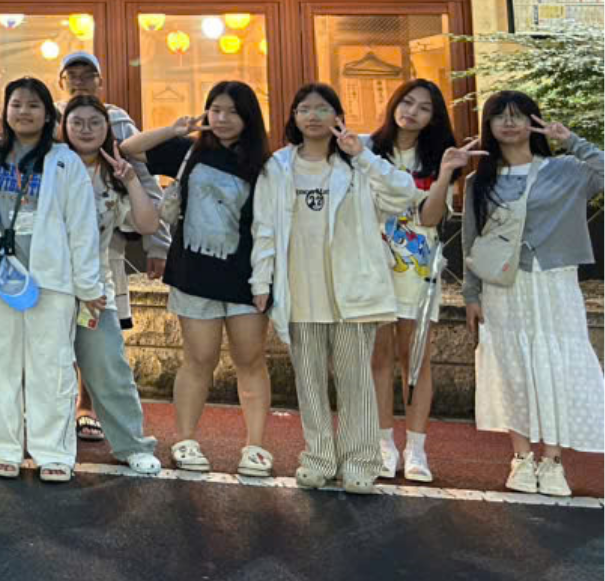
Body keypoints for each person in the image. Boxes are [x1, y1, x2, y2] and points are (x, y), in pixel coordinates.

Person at [249, 83, 415, 494]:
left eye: (323, 109)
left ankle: (360, 461)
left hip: (350, 293)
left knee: (355, 381)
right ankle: (319, 457)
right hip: (299, 291)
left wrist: (363, 155)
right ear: (294, 117)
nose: (313, 116)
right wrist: (261, 280)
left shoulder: (357, 164)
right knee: (308, 382)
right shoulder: (277, 166)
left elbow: (404, 194)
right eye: (304, 109)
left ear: (338, 117)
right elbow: (264, 228)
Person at [0, 78, 104, 483]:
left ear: (48, 113)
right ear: (6, 111)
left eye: (33, 105)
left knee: (52, 366)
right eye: (16, 104)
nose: (24, 112)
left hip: (50, 279)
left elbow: (82, 228)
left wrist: (89, 287)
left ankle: (53, 452)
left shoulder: (65, 161)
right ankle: (2, 447)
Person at [120, 81, 273, 476]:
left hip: (247, 277)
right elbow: (128, 148)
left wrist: (268, 279)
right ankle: (185, 440)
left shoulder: (265, 164)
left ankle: (255, 446)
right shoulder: (189, 150)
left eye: (232, 112)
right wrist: (174, 129)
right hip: (194, 274)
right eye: (215, 110)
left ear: (249, 117)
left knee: (250, 360)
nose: (222, 119)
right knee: (198, 359)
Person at [461, 91, 603, 498]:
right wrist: (471, 295)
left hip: (555, 281)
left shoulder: (565, 170)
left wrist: (570, 139)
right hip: (504, 285)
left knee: (556, 365)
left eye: (519, 115)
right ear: (488, 126)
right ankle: (521, 457)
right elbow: (471, 240)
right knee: (513, 366)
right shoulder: (479, 181)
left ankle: (553, 460)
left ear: (534, 122)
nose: (509, 123)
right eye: (499, 117)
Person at [58, 51, 170, 444]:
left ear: (100, 82)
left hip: (103, 255)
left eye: (87, 75)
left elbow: (142, 178)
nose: (79, 81)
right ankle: (46, 427)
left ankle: (88, 408)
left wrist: (158, 243)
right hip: (52, 269)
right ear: (61, 83)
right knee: (46, 346)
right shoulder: (50, 120)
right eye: (71, 75)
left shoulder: (117, 120)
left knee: (102, 344)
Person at [366, 79, 457, 482]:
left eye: (423, 107)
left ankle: (416, 448)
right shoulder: (369, 149)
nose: (412, 112)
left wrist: (446, 174)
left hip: (418, 271)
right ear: (393, 104)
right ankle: (383, 444)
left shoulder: (439, 156)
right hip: (373, 267)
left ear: (433, 118)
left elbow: (431, 218)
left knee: (415, 359)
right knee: (379, 357)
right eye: (407, 102)